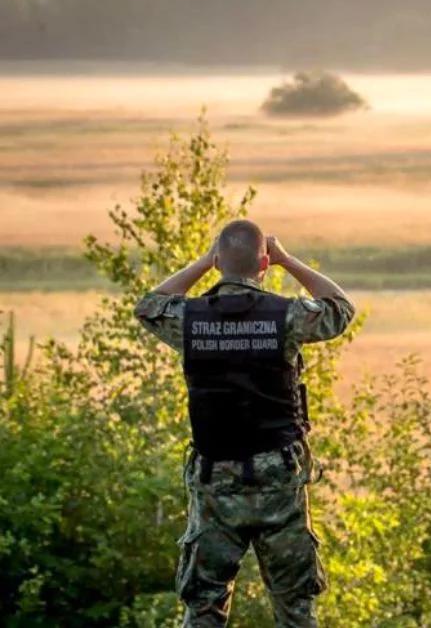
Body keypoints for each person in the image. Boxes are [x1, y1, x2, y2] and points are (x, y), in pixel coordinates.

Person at [134, 219, 355, 627]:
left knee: (204, 606)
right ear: (264, 264)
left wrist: (204, 262)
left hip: (214, 481)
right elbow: (340, 309)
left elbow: (148, 305)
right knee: (295, 608)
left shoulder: (190, 319)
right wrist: (288, 260)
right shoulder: (286, 316)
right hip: (279, 481)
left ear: (219, 262)